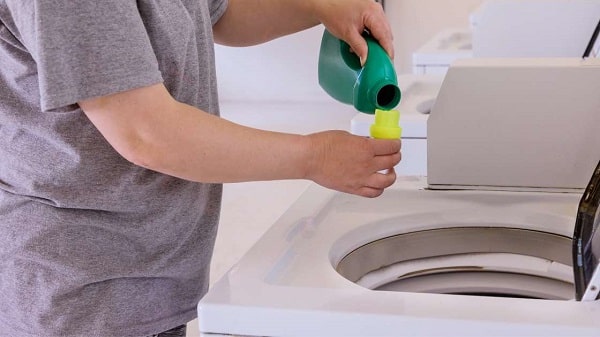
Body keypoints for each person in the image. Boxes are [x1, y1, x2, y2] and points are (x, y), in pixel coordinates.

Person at [0, 0, 400, 336]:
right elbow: (146, 132)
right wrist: (315, 156)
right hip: (80, 290)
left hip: (149, 275)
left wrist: (319, 5)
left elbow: (220, 14)